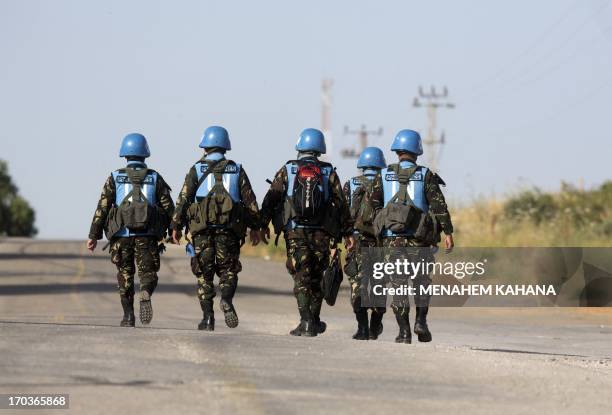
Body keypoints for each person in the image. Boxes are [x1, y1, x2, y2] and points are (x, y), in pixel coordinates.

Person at [260, 128, 355, 337]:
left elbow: (271, 200)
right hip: (322, 233)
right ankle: (313, 319)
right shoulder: (328, 172)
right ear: (320, 148)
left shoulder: (289, 169)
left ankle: (306, 321)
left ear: (300, 146)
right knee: (316, 275)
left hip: (295, 232)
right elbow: (341, 204)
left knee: (301, 275)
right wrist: (348, 232)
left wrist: (261, 225)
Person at [171, 126, 261, 331]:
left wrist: (175, 226)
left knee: (204, 274)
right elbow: (250, 201)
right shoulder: (236, 169)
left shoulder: (196, 169)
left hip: (202, 231)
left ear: (205, 145)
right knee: (228, 270)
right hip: (228, 231)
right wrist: (257, 227)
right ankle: (227, 299)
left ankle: (208, 318)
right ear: (225, 145)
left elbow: (183, 200)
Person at [87, 133, 175, 327]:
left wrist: (93, 235)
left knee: (125, 275)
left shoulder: (114, 177)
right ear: (145, 154)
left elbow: (102, 208)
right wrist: (173, 230)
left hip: (122, 237)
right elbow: (170, 209)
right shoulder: (155, 177)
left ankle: (128, 316)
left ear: (124, 154)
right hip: (147, 235)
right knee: (148, 273)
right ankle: (145, 292)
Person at [375, 129, 454, 343]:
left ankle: (404, 332)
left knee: (399, 285)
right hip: (421, 242)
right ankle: (421, 321)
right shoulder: (426, 175)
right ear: (417, 151)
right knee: (421, 282)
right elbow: (439, 207)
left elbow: (370, 208)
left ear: (397, 151)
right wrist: (448, 232)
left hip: (392, 241)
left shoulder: (382, 175)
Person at [342, 147, 387, 340]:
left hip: (356, 242)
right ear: (380, 165)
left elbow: (342, 215)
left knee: (357, 285)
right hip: (380, 243)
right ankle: (375, 326)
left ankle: (362, 328)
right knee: (378, 285)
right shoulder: (387, 184)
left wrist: (344, 237)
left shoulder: (350, 184)